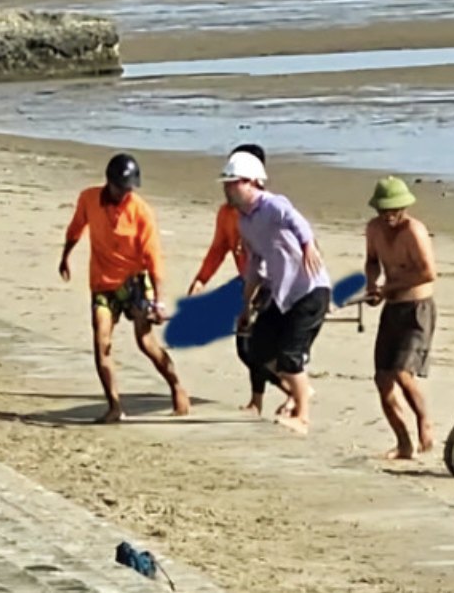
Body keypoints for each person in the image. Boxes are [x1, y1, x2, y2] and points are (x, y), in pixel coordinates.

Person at [59, 153, 189, 423]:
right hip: (102, 284)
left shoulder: (141, 211)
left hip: (135, 282)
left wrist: (158, 302)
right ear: (109, 182)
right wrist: (65, 256)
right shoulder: (89, 199)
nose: (126, 193)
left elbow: (154, 259)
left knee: (145, 342)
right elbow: (75, 229)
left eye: (130, 188)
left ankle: (176, 385)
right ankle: (114, 405)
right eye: (122, 188)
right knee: (101, 342)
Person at [222, 150, 330, 434]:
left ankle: (302, 417)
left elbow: (297, 221)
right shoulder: (244, 221)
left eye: (233, 183)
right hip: (282, 294)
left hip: (309, 290)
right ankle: (299, 390)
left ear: (251, 182)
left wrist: (307, 245)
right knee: (257, 348)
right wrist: (246, 305)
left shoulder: (272, 205)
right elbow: (255, 264)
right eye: (226, 184)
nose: (228, 189)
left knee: (290, 355)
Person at [187, 144, 288, 415]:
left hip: (272, 285)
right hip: (249, 284)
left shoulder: (269, 211)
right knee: (249, 345)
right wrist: (201, 280)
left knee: (252, 347)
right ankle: (258, 401)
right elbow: (219, 248)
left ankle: (293, 392)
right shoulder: (226, 214)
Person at [364, 176, 437, 459]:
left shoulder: (414, 231)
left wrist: (389, 287)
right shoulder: (374, 229)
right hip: (392, 309)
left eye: (394, 209)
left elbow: (427, 272)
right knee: (383, 380)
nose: (389, 215)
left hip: (417, 309)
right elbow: (372, 261)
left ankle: (424, 420)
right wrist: (373, 285)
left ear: (403, 207)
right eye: (383, 210)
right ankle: (404, 443)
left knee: (402, 373)